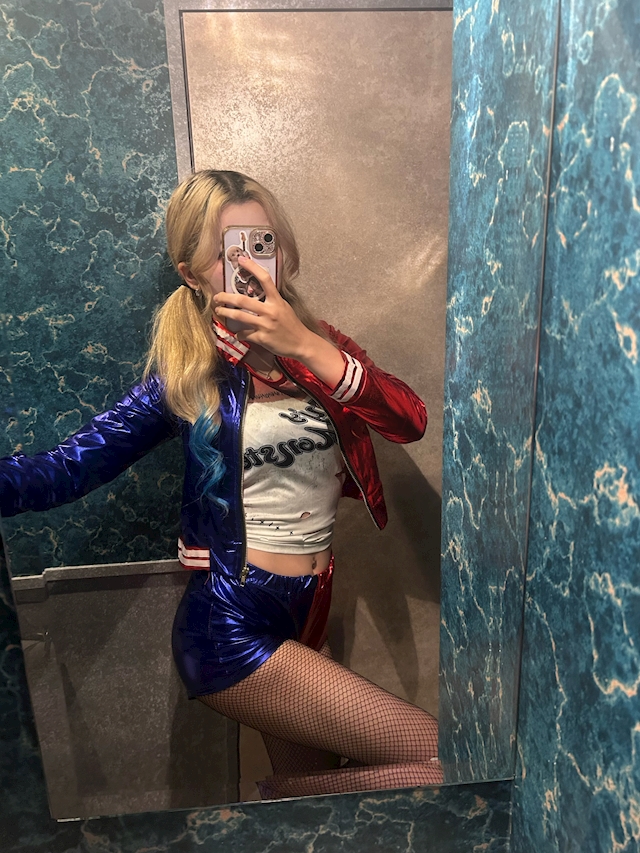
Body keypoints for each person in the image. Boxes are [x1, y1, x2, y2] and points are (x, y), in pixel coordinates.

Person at [0, 169, 442, 798]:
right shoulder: (187, 375)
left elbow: (410, 420)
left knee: (307, 799)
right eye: (230, 252)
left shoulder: (322, 346)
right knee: (447, 758)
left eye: (264, 243)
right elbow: (62, 471)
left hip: (309, 608)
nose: (253, 265)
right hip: (230, 622)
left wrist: (305, 344)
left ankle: (270, 806)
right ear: (191, 273)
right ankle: (258, 809)